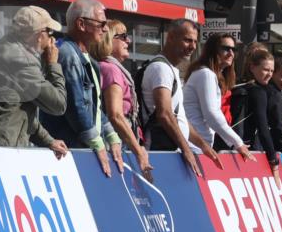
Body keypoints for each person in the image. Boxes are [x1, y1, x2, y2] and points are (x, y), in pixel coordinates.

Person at [0, 6, 68, 158]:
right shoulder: (21, 60)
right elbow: (58, 104)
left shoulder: (3, 48)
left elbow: (17, 109)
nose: (53, 40)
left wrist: (48, 140)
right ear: (39, 35)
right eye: (50, 33)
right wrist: (52, 64)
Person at [39, 0, 122, 178]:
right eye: (101, 23)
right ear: (81, 24)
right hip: (69, 151)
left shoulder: (88, 60)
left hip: (80, 148)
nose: (106, 29)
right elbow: (75, 105)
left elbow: (94, 107)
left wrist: (110, 135)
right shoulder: (68, 54)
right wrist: (97, 143)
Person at [139, 19, 217, 177]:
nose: (193, 46)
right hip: (159, 152)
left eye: (195, 41)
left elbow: (179, 116)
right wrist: (186, 149)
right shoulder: (161, 68)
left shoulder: (170, 69)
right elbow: (164, 114)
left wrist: (202, 145)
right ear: (171, 37)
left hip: (170, 150)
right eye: (187, 40)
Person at [93, 21, 153, 179]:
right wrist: (138, 152)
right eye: (123, 36)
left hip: (120, 138)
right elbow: (116, 116)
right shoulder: (111, 69)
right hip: (115, 140)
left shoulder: (110, 67)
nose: (129, 41)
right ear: (108, 40)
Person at [183, 33, 251, 162]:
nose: (231, 53)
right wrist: (238, 143)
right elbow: (211, 114)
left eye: (233, 49)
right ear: (213, 50)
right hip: (193, 146)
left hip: (198, 146)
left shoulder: (209, 74)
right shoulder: (206, 74)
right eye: (226, 48)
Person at [232, 48, 282, 177]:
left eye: (272, 71)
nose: (269, 74)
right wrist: (272, 158)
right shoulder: (259, 92)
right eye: (266, 70)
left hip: (230, 146)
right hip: (247, 150)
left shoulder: (238, 85)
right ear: (252, 67)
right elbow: (263, 127)